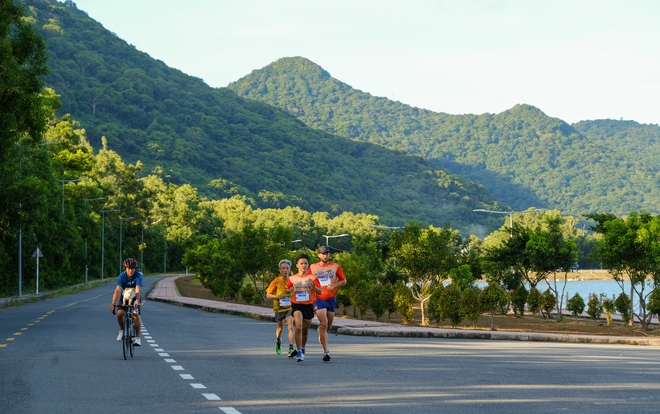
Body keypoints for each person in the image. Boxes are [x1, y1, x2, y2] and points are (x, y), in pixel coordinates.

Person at [310, 245, 347, 362]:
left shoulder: (335, 267)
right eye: (323, 253)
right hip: (318, 298)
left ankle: (321, 331)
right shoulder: (313, 267)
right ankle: (326, 352)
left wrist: (334, 285)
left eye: (327, 253)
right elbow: (307, 278)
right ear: (319, 255)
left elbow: (344, 281)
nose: (325, 255)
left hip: (331, 299)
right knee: (324, 324)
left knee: (328, 326)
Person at [285, 253, 322, 362]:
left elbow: (320, 291)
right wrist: (289, 290)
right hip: (296, 305)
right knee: (299, 327)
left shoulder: (313, 278)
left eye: (305, 263)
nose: (304, 265)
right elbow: (287, 288)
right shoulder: (292, 278)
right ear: (297, 265)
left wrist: (313, 287)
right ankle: (299, 350)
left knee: (305, 330)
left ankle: (303, 347)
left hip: (308, 305)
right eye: (301, 263)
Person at [265, 259, 295, 357]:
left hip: (290, 307)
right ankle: (278, 341)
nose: (285, 270)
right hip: (279, 308)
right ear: (280, 270)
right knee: (280, 328)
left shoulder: (293, 280)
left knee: (290, 326)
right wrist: (277, 296)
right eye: (283, 268)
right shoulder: (276, 281)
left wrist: (293, 291)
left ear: (290, 269)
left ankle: (291, 349)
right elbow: (268, 295)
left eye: (287, 268)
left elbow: (298, 292)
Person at [110, 257, 143, 346]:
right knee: (120, 313)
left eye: (133, 268)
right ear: (125, 268)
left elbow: (137, 289)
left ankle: (137, 338)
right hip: (125, 296)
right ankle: (122, 330)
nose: (131, 270)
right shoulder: (122, 276)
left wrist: (137, 301)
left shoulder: (138, 275)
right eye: (129, 268)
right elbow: (117, 290)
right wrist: (113, 302)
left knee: (135, 314)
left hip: (135, 296)